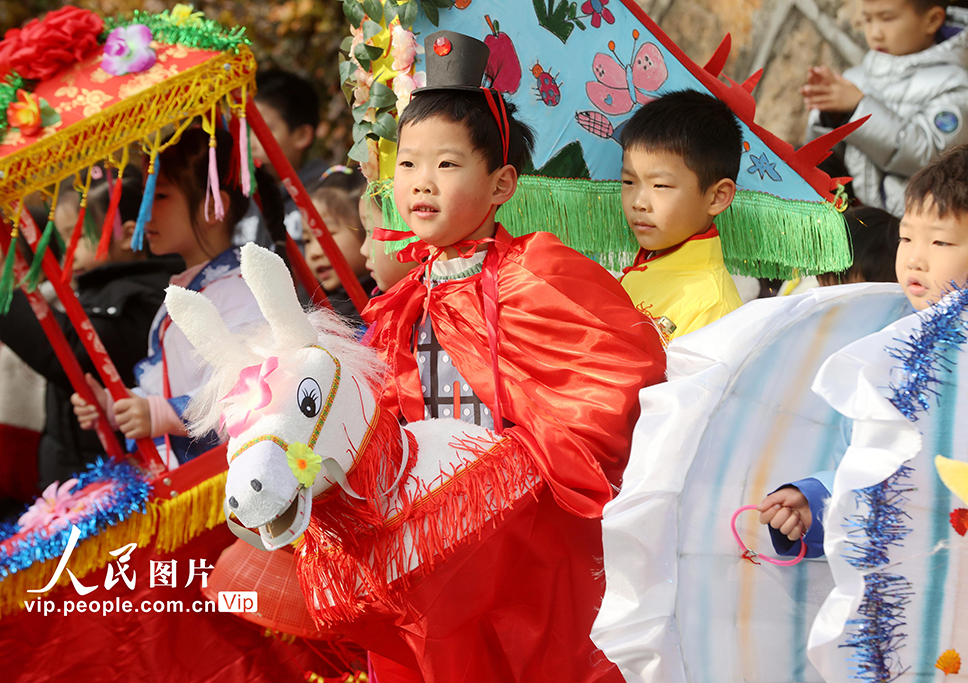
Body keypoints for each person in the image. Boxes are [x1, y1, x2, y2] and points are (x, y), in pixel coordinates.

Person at [360, 30, 666, 683]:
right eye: (408, 164)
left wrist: (519, 466)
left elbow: (625, 372)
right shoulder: (402, 300)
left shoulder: (539, 270)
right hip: (433, 542)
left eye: (446, 164)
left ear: (501, 183)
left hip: (529, 537)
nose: (421, 181)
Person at [759, 143, 968, 556]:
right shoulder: (887, 347)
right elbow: (863, 462)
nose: (914, 259)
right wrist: (816, 504)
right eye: (906, 237)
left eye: (940, 243)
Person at [71, 126, 285, 467]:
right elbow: (169, 387)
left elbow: (254, 390)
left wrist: (161, 413)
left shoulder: (239, 290)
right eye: (145, 196)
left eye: (160, 196)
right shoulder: (192, 288)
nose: (145, 213)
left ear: (213, 205)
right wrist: (119, 406)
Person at [0, 166, 183, 486]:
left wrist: (11, 307)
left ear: (129, 235)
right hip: (73, 459)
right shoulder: (93, 289)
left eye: (76, 235)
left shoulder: (148, 293)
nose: (67, 251)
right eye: (60, 238)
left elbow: (80, 352)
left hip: (121, 466)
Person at [803, 0, 968, 216]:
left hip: (917, 226)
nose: (875, 33)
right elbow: (823, 159)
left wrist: (858, 110)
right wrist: (830, 116)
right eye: (868, 19)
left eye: (887, 18)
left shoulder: (954, 84)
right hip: (861, 221)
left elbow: (930, 155)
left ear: (932, 21)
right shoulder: (856, 79)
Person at [618, 89, 744, 340]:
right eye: (629, 182)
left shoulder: (713, 305)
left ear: (717, 197)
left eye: (660, 186)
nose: (639, 203)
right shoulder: (636, 272)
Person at [249, 68, 330, 246]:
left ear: (302, 135)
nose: (249, 141)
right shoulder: (236, 198)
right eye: (245, 128)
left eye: (261, 129)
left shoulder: (330, 195)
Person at [303, 166, 375, 323]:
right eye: (307, 240)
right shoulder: (314, 307)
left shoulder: (385, 301)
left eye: (326, 235)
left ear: (365, 227)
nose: (314, 253)